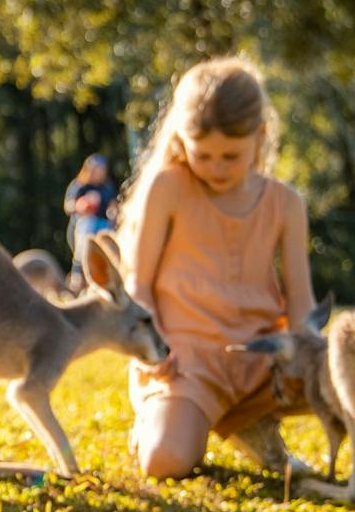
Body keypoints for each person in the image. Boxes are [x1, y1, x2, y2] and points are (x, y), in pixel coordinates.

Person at [118, 57, 315, 479]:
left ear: (260, 137)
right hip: (187, 360)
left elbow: (300, 299)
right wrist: (151, 350)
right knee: (165, 462)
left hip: (263, 359)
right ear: (181, 139)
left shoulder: (285, 203)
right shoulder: (169, 187)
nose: (217, 168)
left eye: (230, 156)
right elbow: (140, 283)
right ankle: (158, 420)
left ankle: (251, 420)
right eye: (203, 155)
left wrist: (309, 358)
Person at [64, 154, 119, 291]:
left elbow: (113, 206)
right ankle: (77, 274)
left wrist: (113, 214)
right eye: (97, 170)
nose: (100, 173)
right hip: (82, 228)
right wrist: (81, 205)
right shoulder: (79, 186)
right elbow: (68, 206)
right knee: (88, 224)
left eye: (102, 170)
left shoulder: (106, 187)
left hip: (104, 226)